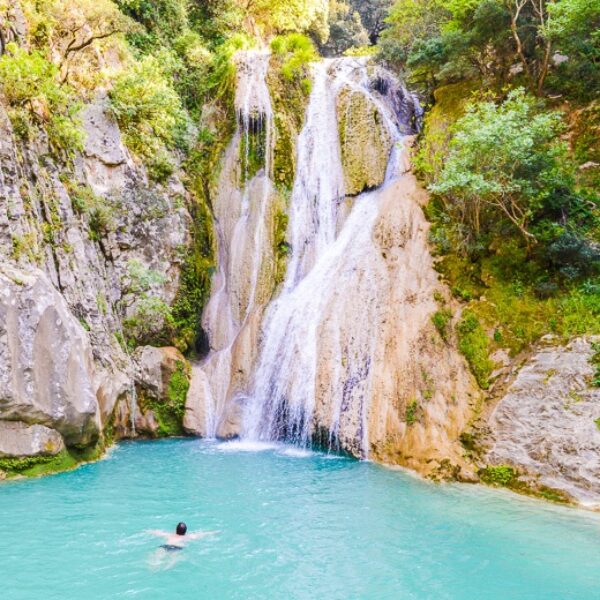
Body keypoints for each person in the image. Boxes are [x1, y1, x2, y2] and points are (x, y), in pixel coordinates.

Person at [147, 522, 219, 551]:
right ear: (185, 531)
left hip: (166, 545)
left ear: (176, 530)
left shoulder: (170, 535)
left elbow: (159, 533)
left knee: (156, 557)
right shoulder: (188, 537)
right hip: (177, 547)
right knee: (171, 562)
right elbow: (201, 534)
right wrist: (214, 532)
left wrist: (150, 531)